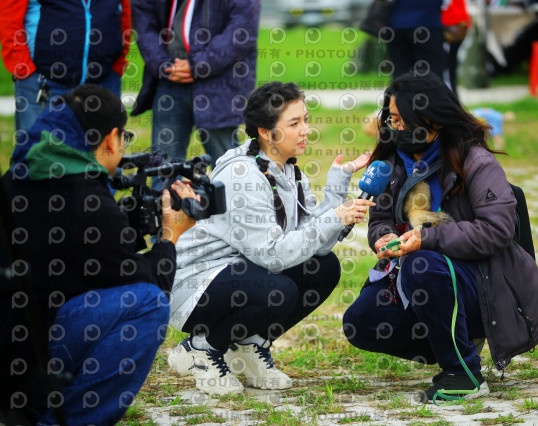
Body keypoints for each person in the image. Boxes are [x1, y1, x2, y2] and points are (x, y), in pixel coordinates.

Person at [342, 73, 538, 403]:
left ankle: (464, 374)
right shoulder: (391, 163)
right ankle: (453, 341)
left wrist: (426, 238)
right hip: (416, 277)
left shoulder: (476, 161)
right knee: (360, 322)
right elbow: (381, 220)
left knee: (422, 262)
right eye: (391, 118)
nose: (395, 127)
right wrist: (383, 237)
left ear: (433, 120)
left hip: (480, 283)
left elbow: (496, 230)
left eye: (403, 120)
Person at [0, 84, 196, 424]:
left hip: (12, 354)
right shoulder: (87, 199)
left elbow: (82, 262)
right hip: (28, 362)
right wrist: (169, 235)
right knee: (148, 303)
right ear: (110, 139)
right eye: (125, 139)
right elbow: (152, 282)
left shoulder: (17, 178)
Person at [166, 81, 375, 396]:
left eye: (306, 119)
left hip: (239, 270)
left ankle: (249, 346)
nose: (306, 130)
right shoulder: (242, 177)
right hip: (196, 283)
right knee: (279, 290)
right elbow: (274, 256)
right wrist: (335, 218)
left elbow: (313, 244)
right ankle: (201, 349)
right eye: (294, 123)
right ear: (266, 132)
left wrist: (337, 188)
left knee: (324, 267)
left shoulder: (286, 168)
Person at [132, 0, 260, 188]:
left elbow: (242, 29)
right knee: (163, 168)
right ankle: (165, 207)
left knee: (228, 166)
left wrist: (199, 64)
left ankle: (238, 206)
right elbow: (144, 18)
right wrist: (163, 64)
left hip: (218, 81)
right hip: (170, 78)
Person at [0, 0, 131, 133]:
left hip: (105, 79)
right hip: (43, 81)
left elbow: (124, 8)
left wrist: (119, 61)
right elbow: (9, 17)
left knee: (104, 143)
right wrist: (23, 68)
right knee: (40, 144)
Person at [387, 0, 446, 80]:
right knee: (430, 72)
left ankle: (401, 87)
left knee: (400, 73)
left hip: (398, 23)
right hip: (428, 23)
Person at [441, 0, 471, 97]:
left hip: (448, 21)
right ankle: (453, 93)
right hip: (458, 21)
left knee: (447, 62)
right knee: (451, 61)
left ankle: (451, 93)